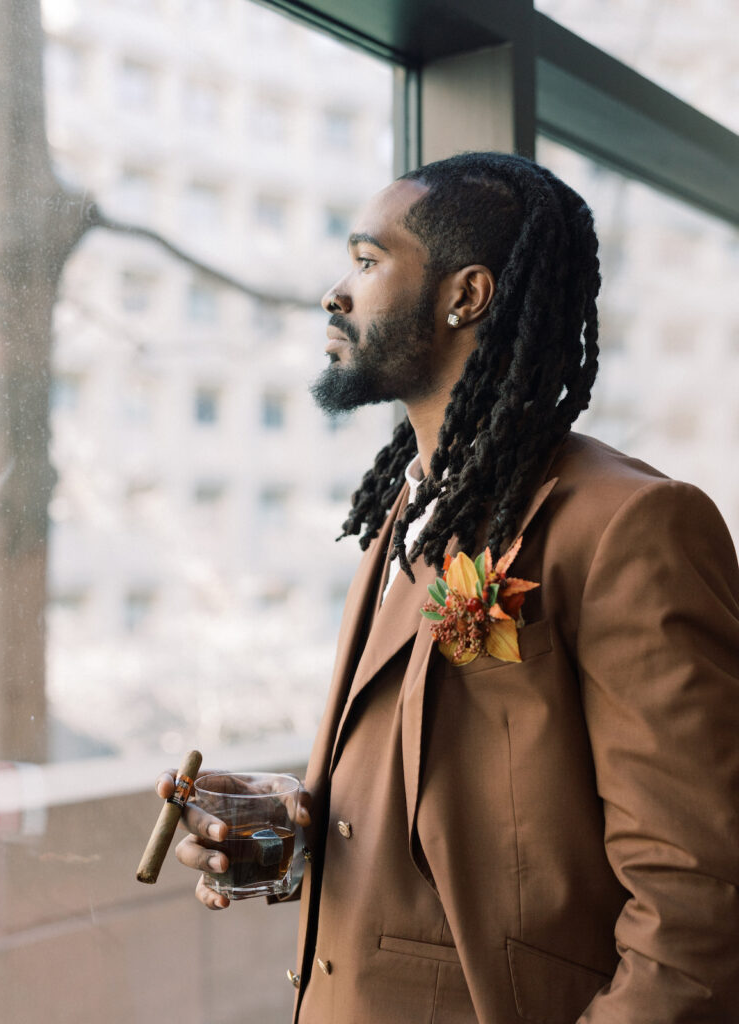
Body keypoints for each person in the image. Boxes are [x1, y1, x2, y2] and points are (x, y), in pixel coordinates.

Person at [158, 152, 739, 1023]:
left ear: (465, 296)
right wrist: (300, 822)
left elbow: (698, 895)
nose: (334, 293)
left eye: (366, 261)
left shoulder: (631, 525)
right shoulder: (409, 507)